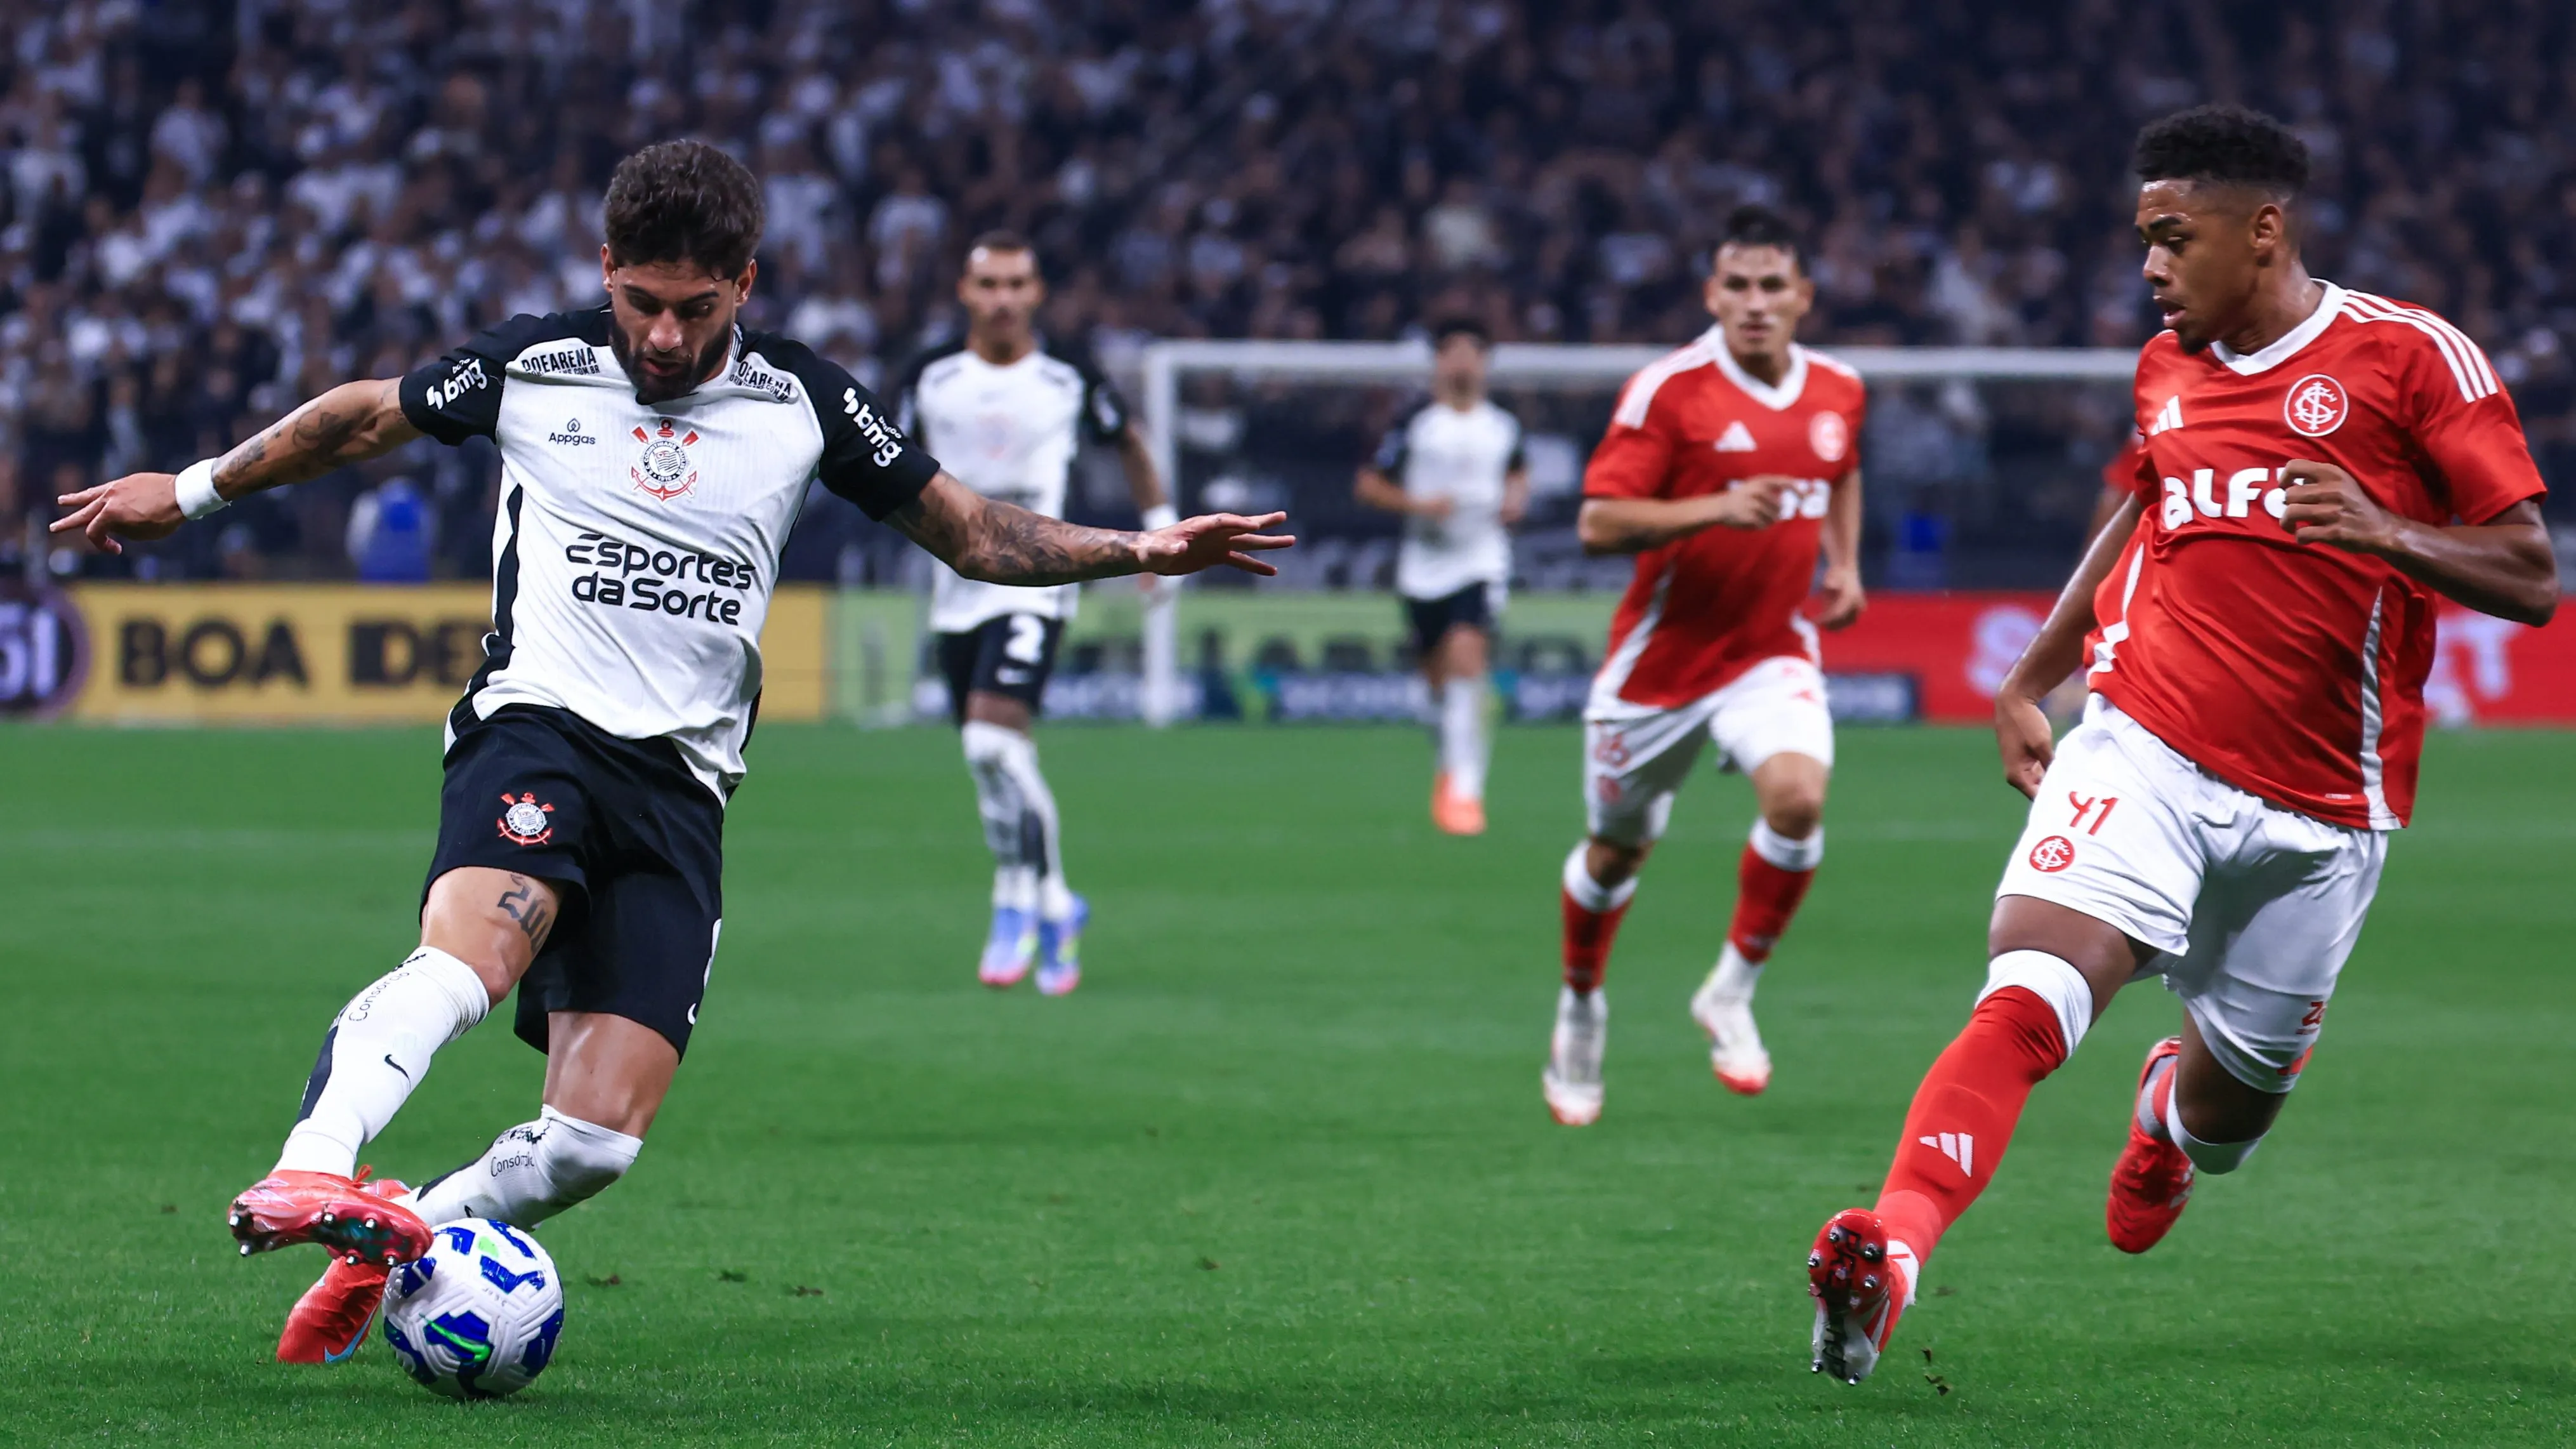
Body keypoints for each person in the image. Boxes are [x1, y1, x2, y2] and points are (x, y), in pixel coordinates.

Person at [52, 140, 1290, 1367]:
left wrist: (1140, 548)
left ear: (744, 284)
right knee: (475, 952)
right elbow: (363, 417)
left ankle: (404, 1232)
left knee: (594, 1143)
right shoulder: (534, 362)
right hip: (538, 727)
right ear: (607, 269)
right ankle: (310, 1164)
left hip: (682, 789)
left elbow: (971, 533)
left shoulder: (805, 402)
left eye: (694, 309)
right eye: (640, 300)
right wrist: (195, 489)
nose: (660, 334)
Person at [1804, 105, 2557, 1384]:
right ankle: (1891, 1253)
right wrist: (2032, 674)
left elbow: (2531, 575)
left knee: (2224, 1126)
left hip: (2324, 808)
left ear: (2261, 230)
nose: (2150, 267)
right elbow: (2141, 508)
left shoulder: (2410, 358)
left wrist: (2384, 529)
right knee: (2030, 987)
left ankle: (2163, 1109)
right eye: (2142, 241)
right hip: (2142, 745)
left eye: (2172, 237)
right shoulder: (2167, 367)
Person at [1541, 205, 1868, 1127]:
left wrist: (1845, 562)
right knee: (1615, 853)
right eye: (1738, 286)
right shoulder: (1668, 393)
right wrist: (1715, 507)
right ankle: (1580, 1002)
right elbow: (1598, 522)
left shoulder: (1840, 388)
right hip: (1659, 667)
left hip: (1771, 649)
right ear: (1711, 296)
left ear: (1803, 296)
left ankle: (1729, 989)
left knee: (1798, 802)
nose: (1755, 303)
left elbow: (1841, 467)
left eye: (1772, 286)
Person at [890, 232, 1174, 993]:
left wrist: (1160, 527)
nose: (1003, 299)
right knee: (993, 760)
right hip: (957, 587)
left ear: (1038, 292)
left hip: (1039, 582)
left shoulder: (1067, 377)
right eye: (989, 284)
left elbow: (1129, 442)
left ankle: (1019, 895)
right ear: (965, 292)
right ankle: (1053, 900)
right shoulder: (930, 378)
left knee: (989, 740)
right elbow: (881, 458)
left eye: (1017, 284)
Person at [1353, 318, 1529, 835]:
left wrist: (1516, 499)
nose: (1463, 362)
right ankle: (1450, 764)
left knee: (1466, 660)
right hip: (1423, 566)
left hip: (1481, 559)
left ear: (1486, 362)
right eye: (1453, 351)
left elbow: (1519, 470)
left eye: (1473, 352)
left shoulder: (1503, 424)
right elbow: (1368, 485)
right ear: (1438, 361)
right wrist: (1419, 505)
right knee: (1433, 688)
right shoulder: (1416, 423)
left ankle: (1466, 792)